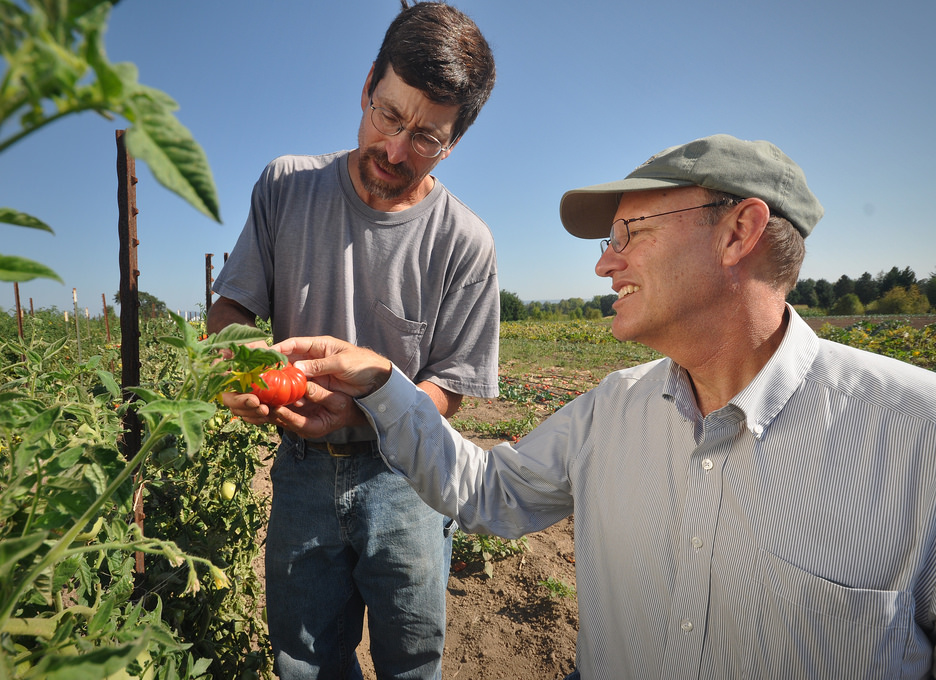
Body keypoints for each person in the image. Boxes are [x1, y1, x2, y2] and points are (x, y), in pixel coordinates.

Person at [269, 134, 936, 678]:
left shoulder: (917, 438)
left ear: (739, 232)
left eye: (630, 233)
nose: (603, 265)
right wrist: (386, 385)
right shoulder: (611, 410)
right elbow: (485, 490)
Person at [207, 2, 498, 677]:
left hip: (409, 478)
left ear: (455, 141)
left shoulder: (465, 240)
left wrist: (370, 410)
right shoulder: (286, 187)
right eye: (389, 115)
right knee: (305, 661)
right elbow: (231, 312)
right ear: (368, 85)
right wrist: (236, 371)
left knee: (411, 659)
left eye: (426, 135)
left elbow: (451, 386)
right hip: (303, 472)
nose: (395, 149)